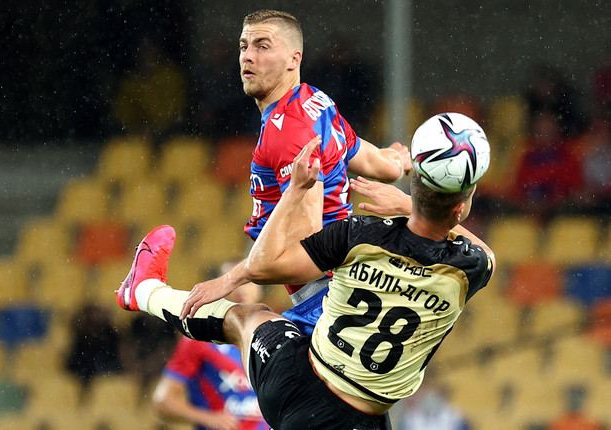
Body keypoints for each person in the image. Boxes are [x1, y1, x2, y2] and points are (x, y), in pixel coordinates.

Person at [115, 128, 495, 429]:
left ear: (415, 186)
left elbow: (267, 264)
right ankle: (143, 289)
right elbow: (484, 250)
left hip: (299, 383)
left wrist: (295, 191)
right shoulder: (468, 269)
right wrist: (412, 208)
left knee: (247, 318)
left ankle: (145, 290)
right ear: (460, 209)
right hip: (362, 417)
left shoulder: (359, 234)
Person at [171, 9, 410, 337]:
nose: (248, 57)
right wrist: (397, 162)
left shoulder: (288, 133)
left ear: (293, 59)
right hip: (344, 292)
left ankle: (144, 293)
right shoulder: (315, 100)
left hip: (326, 304)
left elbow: (308, 248)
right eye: (244, 47)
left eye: (263, 46)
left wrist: (232, 278)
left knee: (243, 324)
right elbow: (371, 161)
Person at [152, 266, 269, 430]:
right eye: (231, 282)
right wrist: (207, 418)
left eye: (247, 282)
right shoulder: (199, 340)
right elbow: (163, 400)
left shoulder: (271, 338)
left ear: (260, 288)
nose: (240, 289)